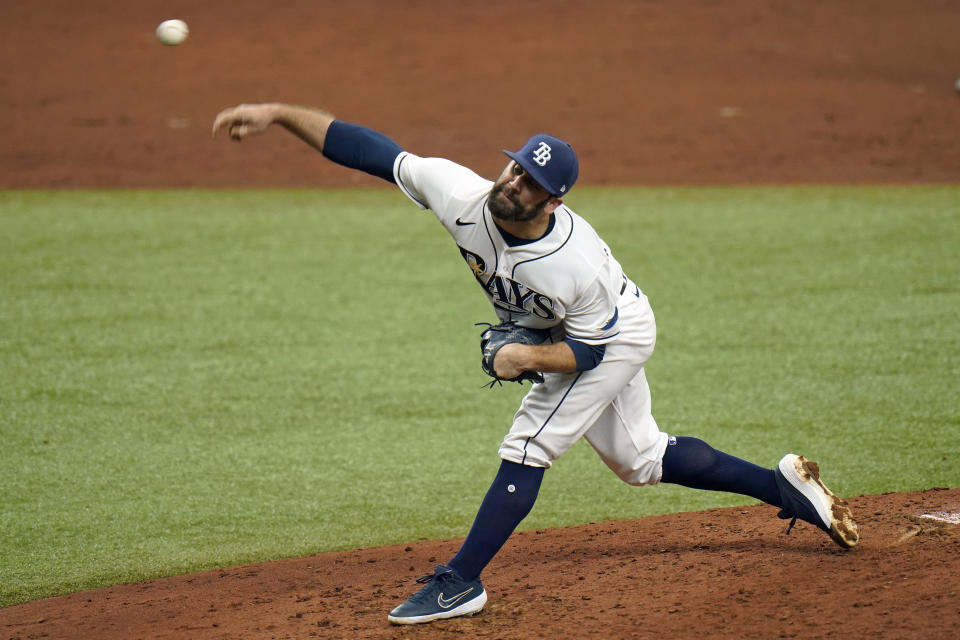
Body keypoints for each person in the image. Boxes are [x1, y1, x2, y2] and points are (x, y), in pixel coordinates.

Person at [212, 103, 860, 625]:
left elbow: (590, 353)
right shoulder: (462, 194)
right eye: (515, 170)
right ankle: (784, 487)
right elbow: (371, 150)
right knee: (641, 461)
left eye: (531, 185)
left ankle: (460, 582)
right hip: (579, 329)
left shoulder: (571, 265)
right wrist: (276, 113)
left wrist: (524, 356)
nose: (514, 184)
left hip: (611, 333)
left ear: (553, 203)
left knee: (529, 442)